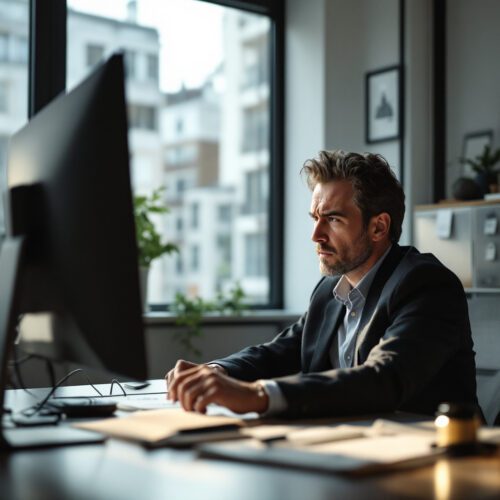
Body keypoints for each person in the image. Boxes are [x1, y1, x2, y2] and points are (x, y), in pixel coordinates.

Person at [166, 150, 478, 419]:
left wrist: (258, 394)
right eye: (315, 217)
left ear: (379, 227)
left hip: (437, 462)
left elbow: (384, 379)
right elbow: (279, 353)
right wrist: (216, 372)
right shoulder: (330, 292)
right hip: (353, 456)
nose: (316, 235)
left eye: (333, 219)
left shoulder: (426, 285)